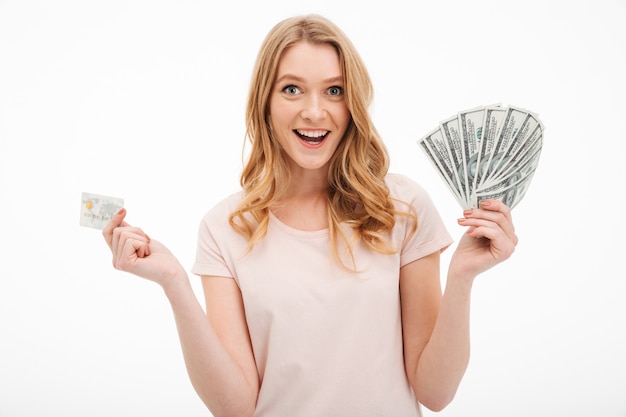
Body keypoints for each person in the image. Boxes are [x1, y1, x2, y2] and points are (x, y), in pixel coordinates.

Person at [103, 14, 518, 417]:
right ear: (265, 101)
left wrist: (461, 277)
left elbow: (436, 392)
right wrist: (174, 283)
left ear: (352, 102)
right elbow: (235, 408)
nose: (315, 112)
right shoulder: (223, 228)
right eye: (292, 90)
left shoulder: (402, 207)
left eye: (334, 91)